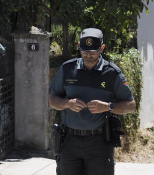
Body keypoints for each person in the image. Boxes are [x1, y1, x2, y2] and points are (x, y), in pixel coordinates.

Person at [49, 28, 136, 175]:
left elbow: (131, 105)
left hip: (99, 143)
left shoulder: (112, 73)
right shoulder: (67, 69)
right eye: (84, 51)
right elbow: (52, 99)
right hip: (69, 141)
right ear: (79, 46)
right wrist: (67, 103)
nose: (88, 55)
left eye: (93, 51)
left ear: (102, 48)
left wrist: (108, 107)